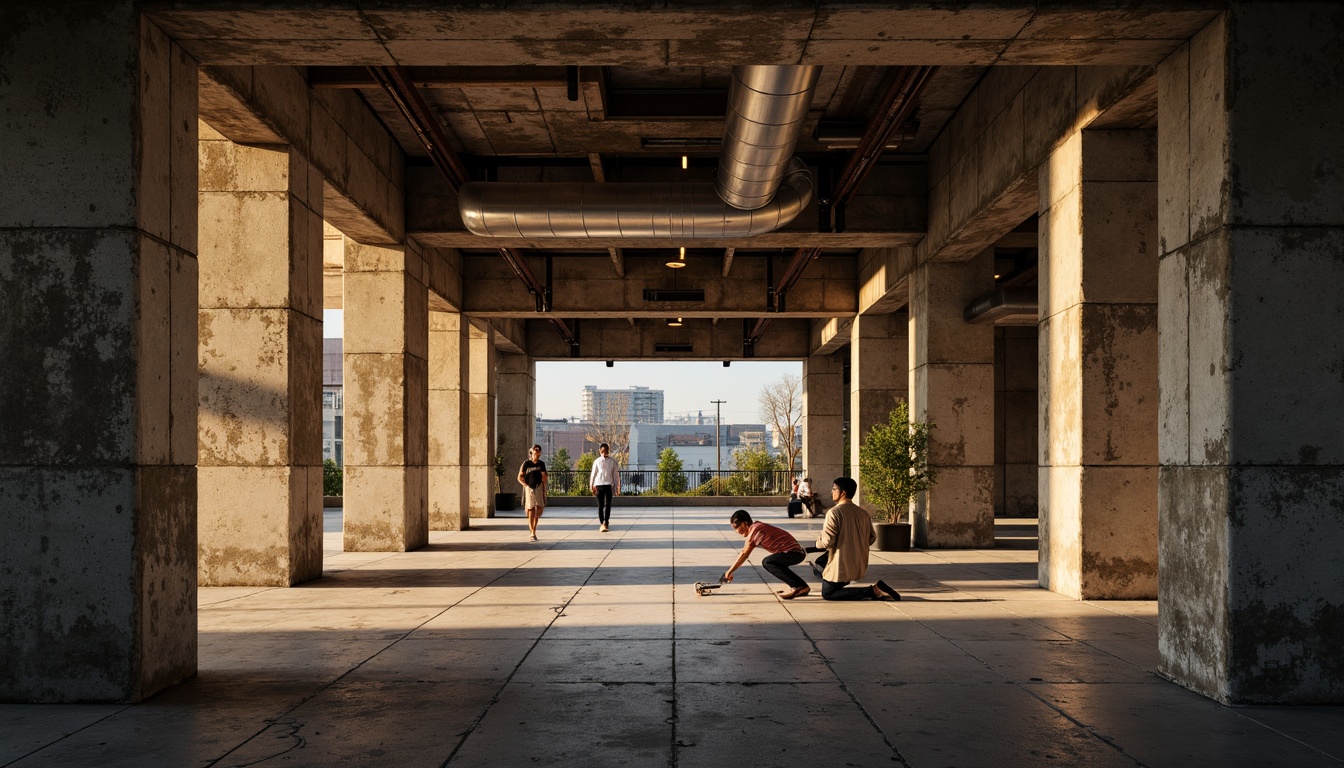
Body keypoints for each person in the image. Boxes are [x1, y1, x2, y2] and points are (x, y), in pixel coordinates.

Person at [813, 477, 900, 601]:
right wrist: (857, 545)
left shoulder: (834, 513)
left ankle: (874, 590)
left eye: (834, 489)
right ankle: (874, 590)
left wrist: (817, 543)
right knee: (819, 571)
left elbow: (827, 541)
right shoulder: (863, 513)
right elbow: (872, 537)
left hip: (840, 564)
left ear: (842, 492)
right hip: (858, 563)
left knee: (828, 593)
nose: (831, 492)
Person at [722, 510, 811, 599]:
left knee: (768, 562)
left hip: (794, 553)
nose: (737, 531)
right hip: (794, 552)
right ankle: (800, 586)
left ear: (745, 523)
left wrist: (729, 572)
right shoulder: (757, 526)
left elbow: (744, 554)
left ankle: (800, 586)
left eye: (737, 527)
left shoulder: (755, 530)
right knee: (774, 562)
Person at [517, 444, 548, 541]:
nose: (537, 452)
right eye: (535, 450)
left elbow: (544, 477)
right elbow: (520, 477)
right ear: (532, 452)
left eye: (539, 451)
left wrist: (544, 489)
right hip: (529, 488)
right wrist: (525, 485)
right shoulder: (526, 463)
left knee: (539, 509)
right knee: (531, 509)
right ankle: (532, 531)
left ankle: (534, 527)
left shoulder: (541, 464)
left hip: (538, 487)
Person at [588, 442, 620, 532]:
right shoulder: (597, 461)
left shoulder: (612, 462)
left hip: (608, 485)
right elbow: (593, 474)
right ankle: (603, 523)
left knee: (607, 505)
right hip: (599, 485)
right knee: (601, 505)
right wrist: (592, 486)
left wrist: (617, 487)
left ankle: (605, 522)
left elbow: (615, 475)